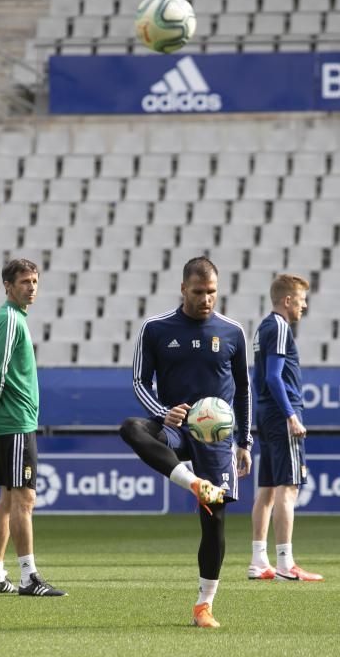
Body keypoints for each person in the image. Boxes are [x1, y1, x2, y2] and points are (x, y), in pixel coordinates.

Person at [120, 256, 252, 628]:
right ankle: (194, 483)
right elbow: (138, 382)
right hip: (176, 428)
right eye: (199, 292)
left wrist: (245, 442)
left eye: (212, 292)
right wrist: (163, 412)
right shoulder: (156, 328)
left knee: (215, 523)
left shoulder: (232, 331)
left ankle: (203, 606)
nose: (206, 299)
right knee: (131, 428)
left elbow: (244, 389)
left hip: (216, 438)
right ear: (183, 289)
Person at [0, 258, 67, 597]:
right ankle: (29, 577)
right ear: (8, 286)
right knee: (24, 499)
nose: (32, 287)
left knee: (9, 499)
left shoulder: (13, 318)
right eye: (25, 281)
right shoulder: (10, 320)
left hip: (10, 421)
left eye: (35, 281)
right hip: (14, 423)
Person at [248, 274, 323, 582]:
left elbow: (258, 378)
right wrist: (290, 414)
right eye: (302, 300)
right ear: (288, 300)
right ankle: (285, 563)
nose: (304, 306)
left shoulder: (264, 327)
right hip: (281, 414)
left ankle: (258, 561)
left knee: (267, 489)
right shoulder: (279, 327)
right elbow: (274, 377)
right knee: (288, 488)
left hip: (268, 414)